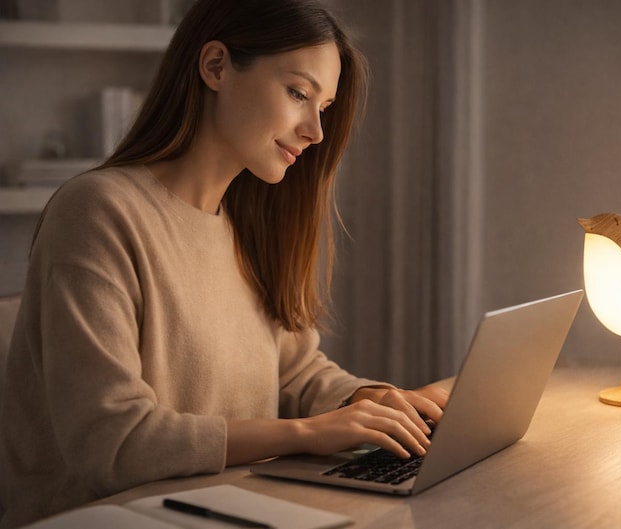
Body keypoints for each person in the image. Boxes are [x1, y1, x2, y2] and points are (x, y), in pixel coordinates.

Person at [0, 1, 448, 526]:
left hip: (225, 507)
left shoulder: (244, 222)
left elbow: (296, 371)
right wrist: (308, 433)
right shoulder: (98, 211)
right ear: (214, 66)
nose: (315, 131)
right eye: (298, 93)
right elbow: (114, 442)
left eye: (322, 107)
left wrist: (370, 400)